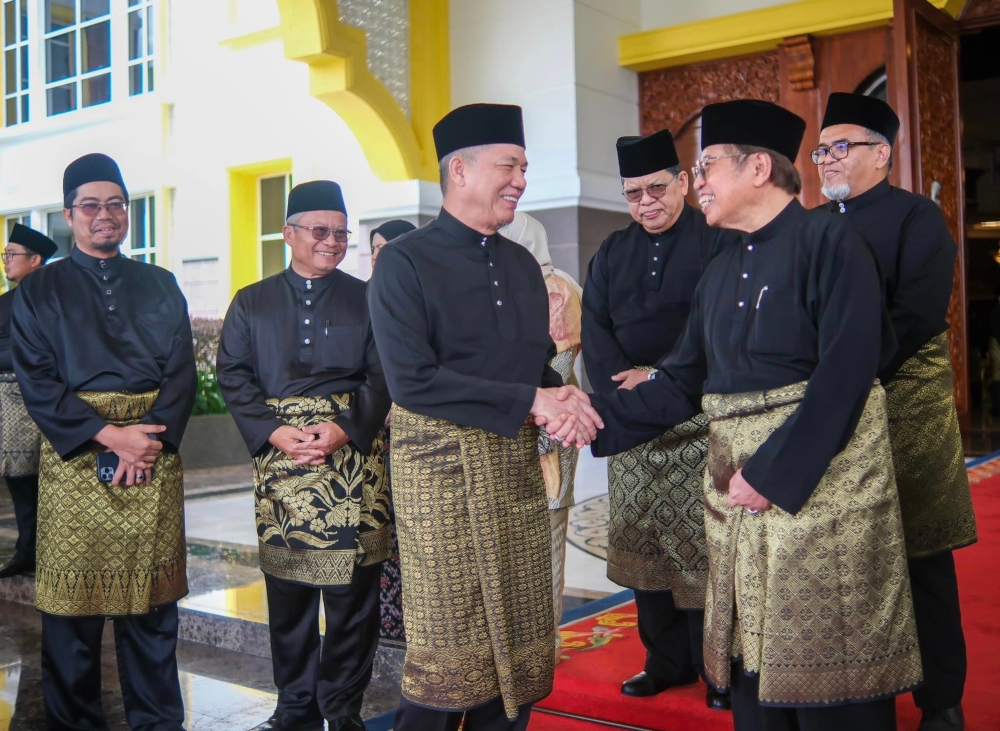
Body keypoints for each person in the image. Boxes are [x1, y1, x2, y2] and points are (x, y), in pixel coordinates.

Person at [566, 99, 921, 730]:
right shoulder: (722, 265)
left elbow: (847, 375)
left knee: (831, 678)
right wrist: (590, 417)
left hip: (823, 498)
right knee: (754, 668)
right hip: (741, 498)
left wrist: (772, 474)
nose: (696, 180)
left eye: (706, 165)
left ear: (759, 167)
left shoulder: (831, 241)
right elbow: (681, 381)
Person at [368, 102, 602, 731]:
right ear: (461, 171)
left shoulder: (523, 266)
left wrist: (566, 394)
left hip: (512, 473)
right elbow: (412, 380)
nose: (521, 179)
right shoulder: (403, 263)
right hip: (439, 479)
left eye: (524, 166)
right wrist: (533, 400)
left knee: (523, 643)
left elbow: (530, 364)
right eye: (509, 165)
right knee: (449, 656)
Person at [13, 153, 196, 730]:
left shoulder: (161, 283)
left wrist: (146, 445)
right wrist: (112, 436)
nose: (105, 215)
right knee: (71, 620)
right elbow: (37, 381)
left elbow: (182, 373)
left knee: (152, 612)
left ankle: (158, 723)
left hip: (152, 451)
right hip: (79, 457)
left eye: (116, 204)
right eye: (91, 205)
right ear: (70, 215)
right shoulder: (38, 291)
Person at [815, 92, 977, 731]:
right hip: (831, 405)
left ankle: (941, 699)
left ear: (881, 154)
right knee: (846, 559)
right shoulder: (813, 223)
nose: (827, 159)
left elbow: (915, 316)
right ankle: (861, 691)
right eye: (822, 149)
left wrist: (843, 373)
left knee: (921, 554)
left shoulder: (918, 217)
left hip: (903, 401)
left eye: (841, 147)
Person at [217, 181, 391, 731]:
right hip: (282, 461)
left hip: (354, 461)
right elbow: (233, 374)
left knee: (352, 598)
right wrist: (272, 431)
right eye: (320, 231)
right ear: (289, 234)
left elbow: (385, 371)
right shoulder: (251, 300)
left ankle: (342, 710)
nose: (333, 242)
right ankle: (294, 709)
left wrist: (344, 428)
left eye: (341, 233)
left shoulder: (368, 296)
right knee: (288, 594)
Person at [581, 129, 737, 708]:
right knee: (644, 549)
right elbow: (594, 334)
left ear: (684, 183)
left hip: (699, 423)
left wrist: (660, 378)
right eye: (632, 193)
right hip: (632, 430)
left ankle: (717, 669)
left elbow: (715, 327)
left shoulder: (717, 242)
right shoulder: (612, 253)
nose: (646, 202)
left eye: (655, 188)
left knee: (704, 552)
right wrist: (626, 384)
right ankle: (665, 663)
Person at [500, 210, 584, 665]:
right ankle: (534, 644)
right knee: (540, 539)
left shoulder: (549, 291)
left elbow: (551, 370)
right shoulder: (565, 283)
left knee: (544, 538)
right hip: (542, 429)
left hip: (543, 435)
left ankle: (540, 646)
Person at [368, 218, 418, 642]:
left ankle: (414, 621)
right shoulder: (359, 297)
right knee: (380, 524)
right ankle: (386, 620)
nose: (381, 255)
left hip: (413, 432)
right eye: (375, 247)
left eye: (391, 246)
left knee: (414, 528)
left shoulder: (422, 294)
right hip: (371, 435)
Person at [0, 224, 57, 578]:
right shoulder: (5, 301)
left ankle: (53, 552)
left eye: (11, 254)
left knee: (49, 480)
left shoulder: (53, 300)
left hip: (46, 400)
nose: (5, 261)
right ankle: (27, 549)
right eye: (4, 255)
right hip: (8, 404)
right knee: (18, 479)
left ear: (35, 260)